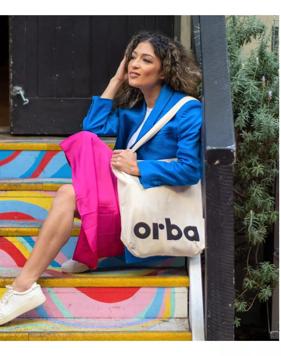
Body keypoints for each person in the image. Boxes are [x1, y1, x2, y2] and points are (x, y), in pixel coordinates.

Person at [0, 32, 203, 325]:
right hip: (129, 196)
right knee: (83, 147)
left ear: (164, 70)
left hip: (155, 204)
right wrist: (116, 80)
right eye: (132, 58)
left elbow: (190, 170)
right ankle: (30, 284)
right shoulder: (134, 112)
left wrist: (140, 166)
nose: (135, 64)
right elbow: (92, 127)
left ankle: (24, 286)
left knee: (70, 193)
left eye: (145, 60)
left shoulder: (187, 110)